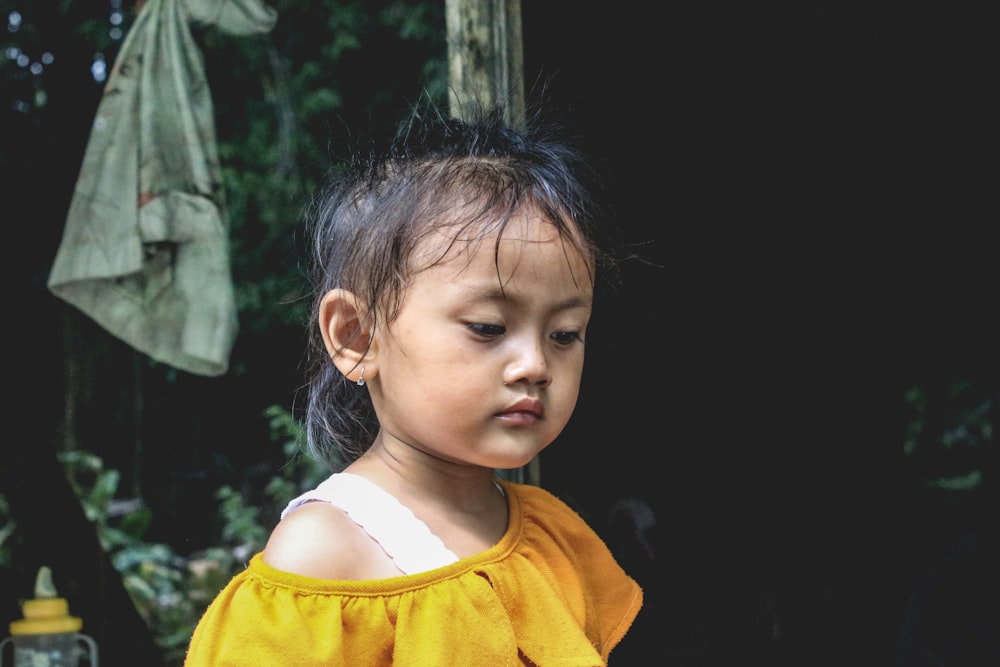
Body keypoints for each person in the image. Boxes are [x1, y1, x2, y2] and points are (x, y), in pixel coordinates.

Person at [182, 102, 643, 666]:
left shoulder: (547, 531)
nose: (535, 365)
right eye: (488, 327)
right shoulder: (324, 553)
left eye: (565, 334)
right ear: (356, 337)